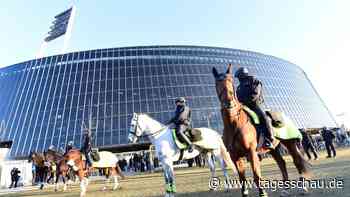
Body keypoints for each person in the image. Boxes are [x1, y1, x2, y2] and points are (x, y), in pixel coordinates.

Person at [235, 67, 275, 149]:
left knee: (263, 117)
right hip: (243, 107)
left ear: (243, 75)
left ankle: (268, 139)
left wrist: (245, 102)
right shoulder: (239, 87)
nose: (238, 79)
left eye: (239, 76)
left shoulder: (254, 81)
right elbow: (237, 98)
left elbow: (255, 94)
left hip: (254, 105)